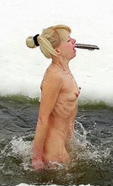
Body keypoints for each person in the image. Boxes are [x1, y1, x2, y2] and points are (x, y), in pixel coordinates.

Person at [26, 25, 79, 169]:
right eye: (69, 41)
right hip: (54, 152)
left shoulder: (64, 70)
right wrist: (36, 159)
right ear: (57, 50)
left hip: (63, 144)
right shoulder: (54, 77)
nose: (74, 41)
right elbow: (43, 119)